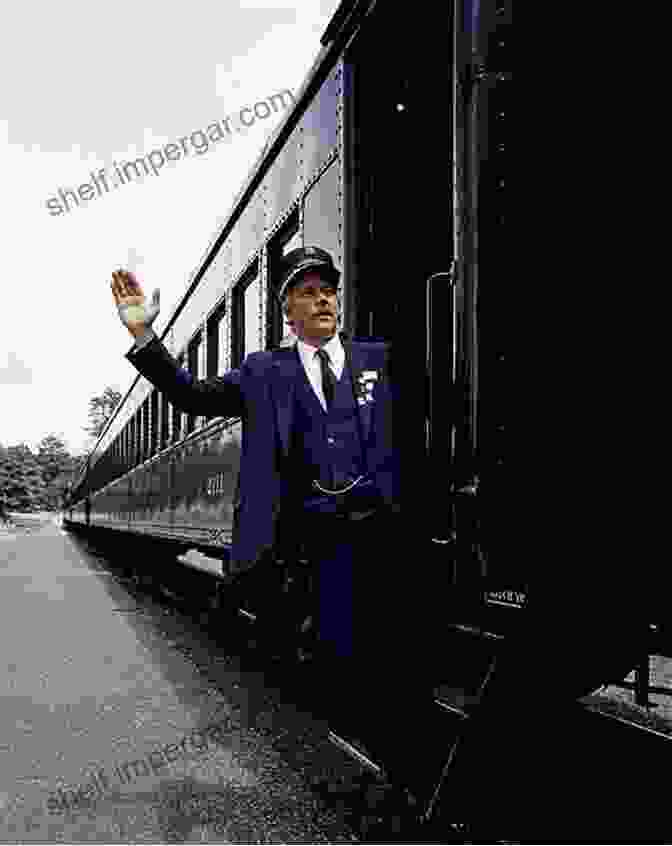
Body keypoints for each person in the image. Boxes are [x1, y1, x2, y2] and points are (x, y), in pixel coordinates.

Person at [110, 248, 434, 813]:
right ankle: (354, 782)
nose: (323, 298)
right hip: (304, 546)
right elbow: (190, 395)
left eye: (328, 289)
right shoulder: (265, 371)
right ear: (287, 310)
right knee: (332, 665)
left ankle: (400, 784)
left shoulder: (382, 360)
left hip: (380, 538)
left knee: (391, 667)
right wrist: (144, 336)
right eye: (308, 292)